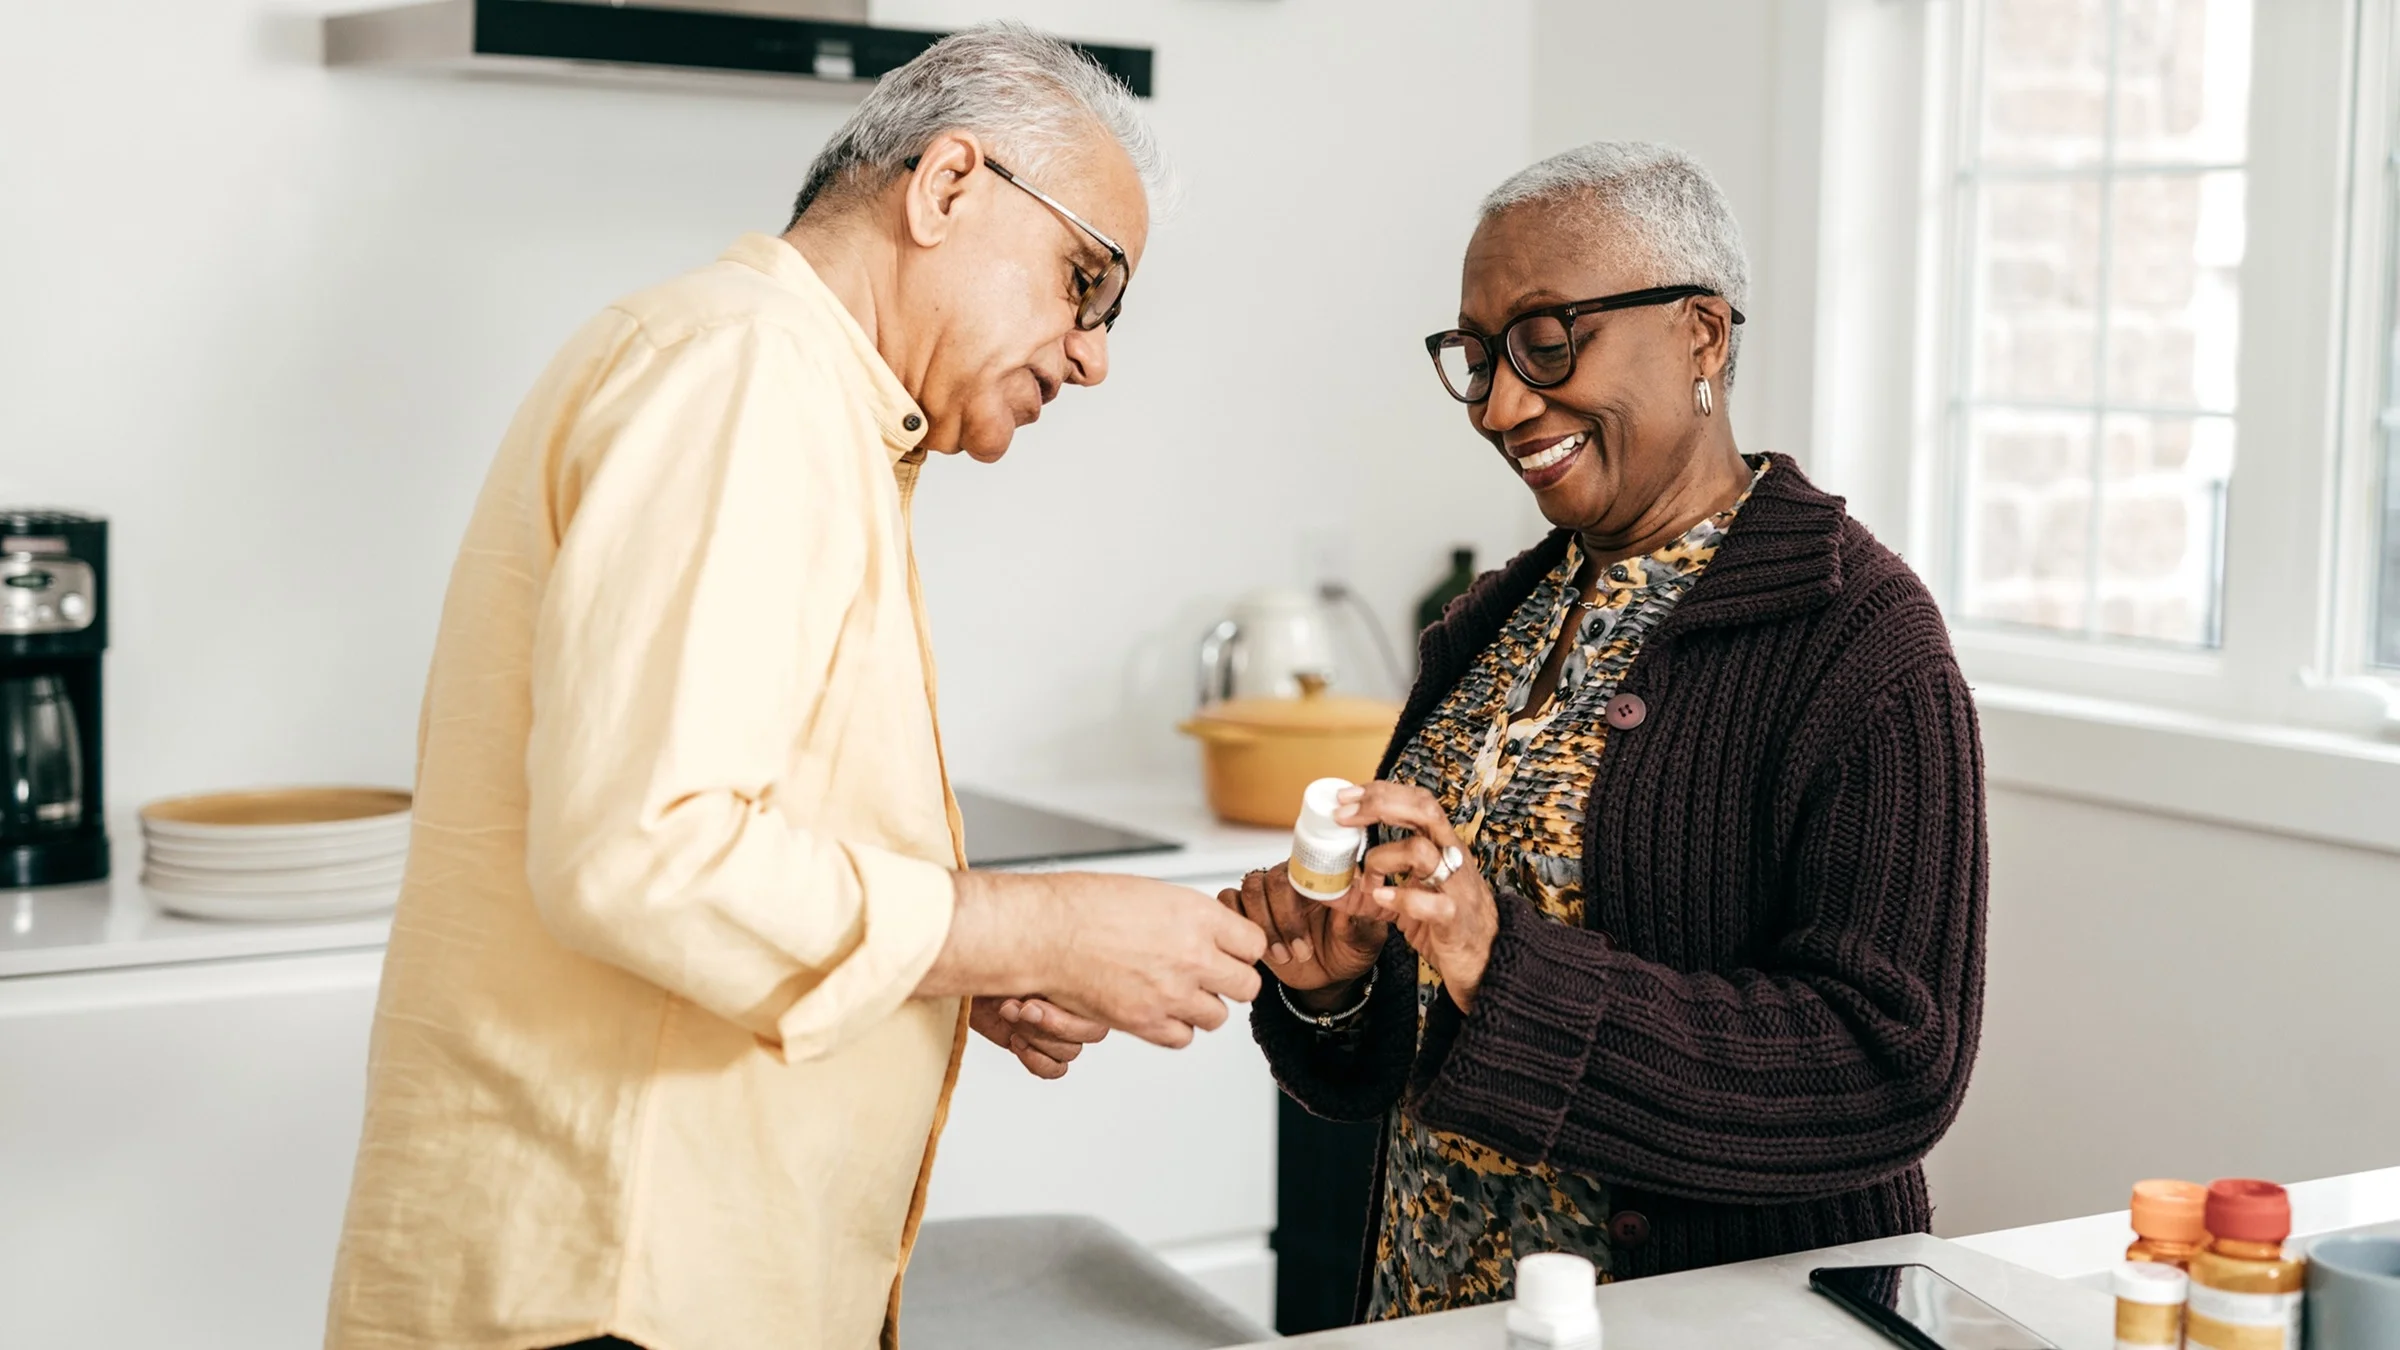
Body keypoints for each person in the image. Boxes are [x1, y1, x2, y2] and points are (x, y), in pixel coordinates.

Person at [327, 25, 1266, 1350]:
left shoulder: (788, 386)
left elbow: (709, 828)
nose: (1093, 352)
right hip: (616, 1294)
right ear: (945, 187)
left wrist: (936, 968)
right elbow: (645, 854)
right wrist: (1032, 929)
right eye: (1085, 280)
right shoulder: (748, 370)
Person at [1222, 142, 1987, 1321]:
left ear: (1703, 337)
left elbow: (1887, 1065)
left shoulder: (1860, 641)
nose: (1500, 404)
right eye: (1476, 357)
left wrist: (1501, 962)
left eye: (1546, 340)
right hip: (1440, 1311)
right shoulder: (1487, 626)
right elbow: (1399, 1064)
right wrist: (1340, 992)